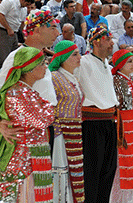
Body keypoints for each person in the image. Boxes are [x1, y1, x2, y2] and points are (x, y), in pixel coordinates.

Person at [0, 48, 54, 202]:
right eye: (42, 64)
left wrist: (46, 107)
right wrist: (49, 108)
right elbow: (43, 120)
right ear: (30, 69)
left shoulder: (25, 91)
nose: (46, 67)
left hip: (32, 154)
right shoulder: (18, 93)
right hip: (24, 158)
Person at [76, 26, 120, 203]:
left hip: (109, 121)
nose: (111, 43)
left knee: (108, 170)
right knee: (92, 171)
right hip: (92, 123)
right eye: (108, 39)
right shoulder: (84, 62)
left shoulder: (106, 65)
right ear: (95, 42)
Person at [48, 41, 85, 203]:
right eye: (74, 54)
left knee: (75, 173)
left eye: (79, 53)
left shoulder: (74, 77)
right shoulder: (54, 77)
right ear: (63, 58)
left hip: (76, 131)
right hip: (61, 133)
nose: (79, 57)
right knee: (61, 173)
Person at [110, 49, 133, 202]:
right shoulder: (115, 79)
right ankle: (121, 198)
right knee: (124, 159)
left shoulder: (130, 79)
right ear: (120, 64)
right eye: (129, 61)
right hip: (123, 123)